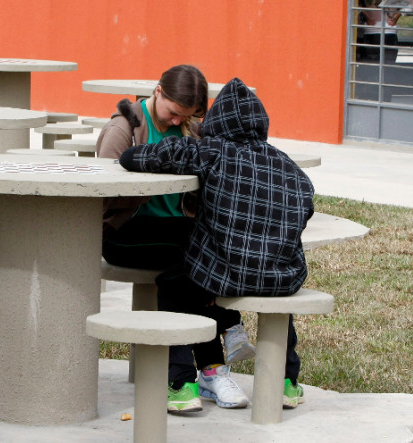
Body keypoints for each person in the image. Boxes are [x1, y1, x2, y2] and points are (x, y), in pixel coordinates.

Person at [118, 78, 314, 413]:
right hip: (283, 276)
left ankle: (181, 383)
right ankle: (287, 382)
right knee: (279, 302)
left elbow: (136, 158)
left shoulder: (209, 152)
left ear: (216, 122)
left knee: (173, 282)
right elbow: (304, 212)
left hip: (222, 273)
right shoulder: (292, 169)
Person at [95, 65, 255, 411]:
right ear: (157, 92)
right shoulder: (124, 128)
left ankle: (187, 379)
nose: (174, 122)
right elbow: (100, 193)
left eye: (184, 117)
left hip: (177, 240)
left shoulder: (190, 130)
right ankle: (221, 343)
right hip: (124, 235)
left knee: (182, 274)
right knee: (196, 253)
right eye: (171, 113)